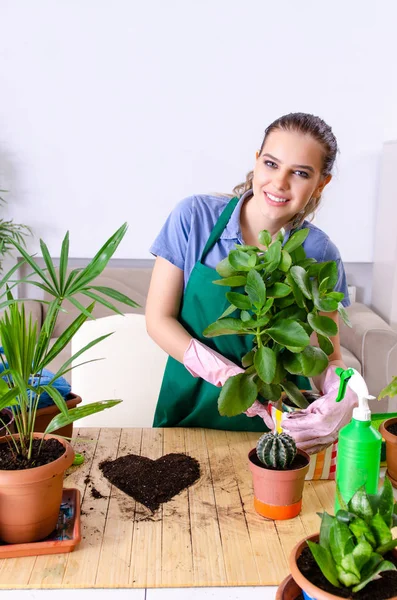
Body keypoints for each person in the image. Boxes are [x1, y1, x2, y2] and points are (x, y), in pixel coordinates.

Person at [145, 112, 357, 453]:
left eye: (301, 173)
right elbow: (158, 320)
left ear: (321, 183)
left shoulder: (320, 252)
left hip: (283, 429)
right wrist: (226, 375)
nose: (279, 183)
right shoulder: (195, 218)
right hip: (190, 413)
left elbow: (327, 357)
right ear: (256, 162)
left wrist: (341, 393)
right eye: (272, 164)